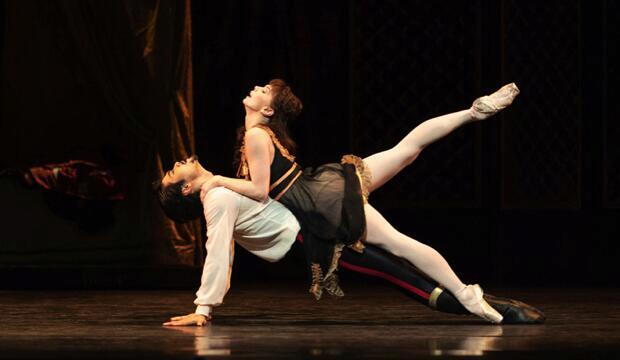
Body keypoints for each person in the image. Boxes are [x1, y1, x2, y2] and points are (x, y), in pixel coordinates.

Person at [195, 80, 521, 323]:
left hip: (323, 202)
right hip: (322, 189)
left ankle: (466, 293)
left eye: (264, 89)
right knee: (405, 151)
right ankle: (473, 112)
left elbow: (260, 190)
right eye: (264, 87)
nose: (257, 87)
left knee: (397, 242)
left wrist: (217, 180)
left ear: (267, 111)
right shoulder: (257, 135)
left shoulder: (255, 135)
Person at [154, 161, 544, 326]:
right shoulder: (216, 199)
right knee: (401, 276)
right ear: (186, 188)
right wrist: (203, 308)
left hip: (315, 226)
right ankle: (494, 309)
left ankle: (487, 303)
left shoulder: (221, 187)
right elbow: (220, 252)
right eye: (174, 172)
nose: (178, 163)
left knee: (400, 265)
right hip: (313, 242)